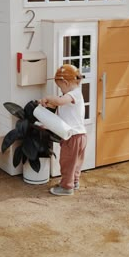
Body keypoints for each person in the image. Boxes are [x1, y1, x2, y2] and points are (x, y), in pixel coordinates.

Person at [39, 64, 87, 196]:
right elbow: (61, 116)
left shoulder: (74, 94)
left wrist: (48, 98)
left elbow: (60, 101)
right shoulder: (71, 97)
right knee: (75, 162)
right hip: (80, 136)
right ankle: (74, 182)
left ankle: (66, 187)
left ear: (65, 83)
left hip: (73, 137)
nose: (60, 90)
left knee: (67, 162)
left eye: (60, 87)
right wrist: (48, 124)